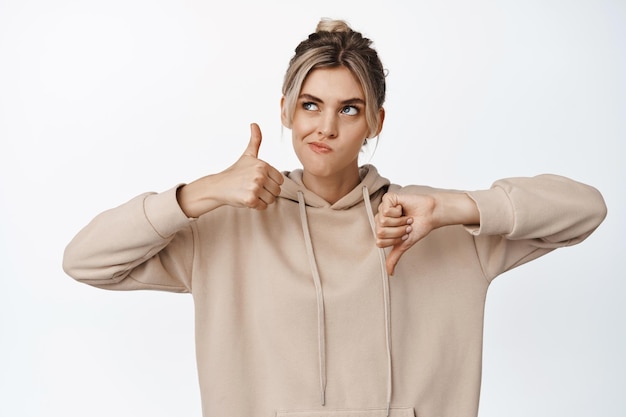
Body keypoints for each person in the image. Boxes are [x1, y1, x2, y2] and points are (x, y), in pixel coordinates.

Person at [63, 18, 607, 417]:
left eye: (349, 108)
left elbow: (586, 210)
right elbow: (85, 261)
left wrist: (454, 208)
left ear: (375, 121)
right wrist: (198, 194)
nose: (325, 127)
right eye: (310, 104)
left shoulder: (429, 222)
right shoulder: (228, 226)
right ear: (284, 110)